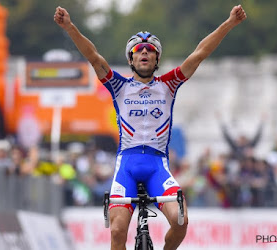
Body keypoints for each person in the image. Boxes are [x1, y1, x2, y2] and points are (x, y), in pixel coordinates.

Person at [54, 4, 247, 250]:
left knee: (181, 220)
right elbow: (93, 56)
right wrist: (70, 27)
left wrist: (229, 23)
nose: (144, 52)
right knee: (117, 231)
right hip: (127, 166)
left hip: (158, 167)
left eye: (150, 50)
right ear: (131, 58)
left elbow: (199, 54)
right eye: (138, 50)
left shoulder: (169, 84)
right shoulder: (118, 86)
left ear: (156, 58)